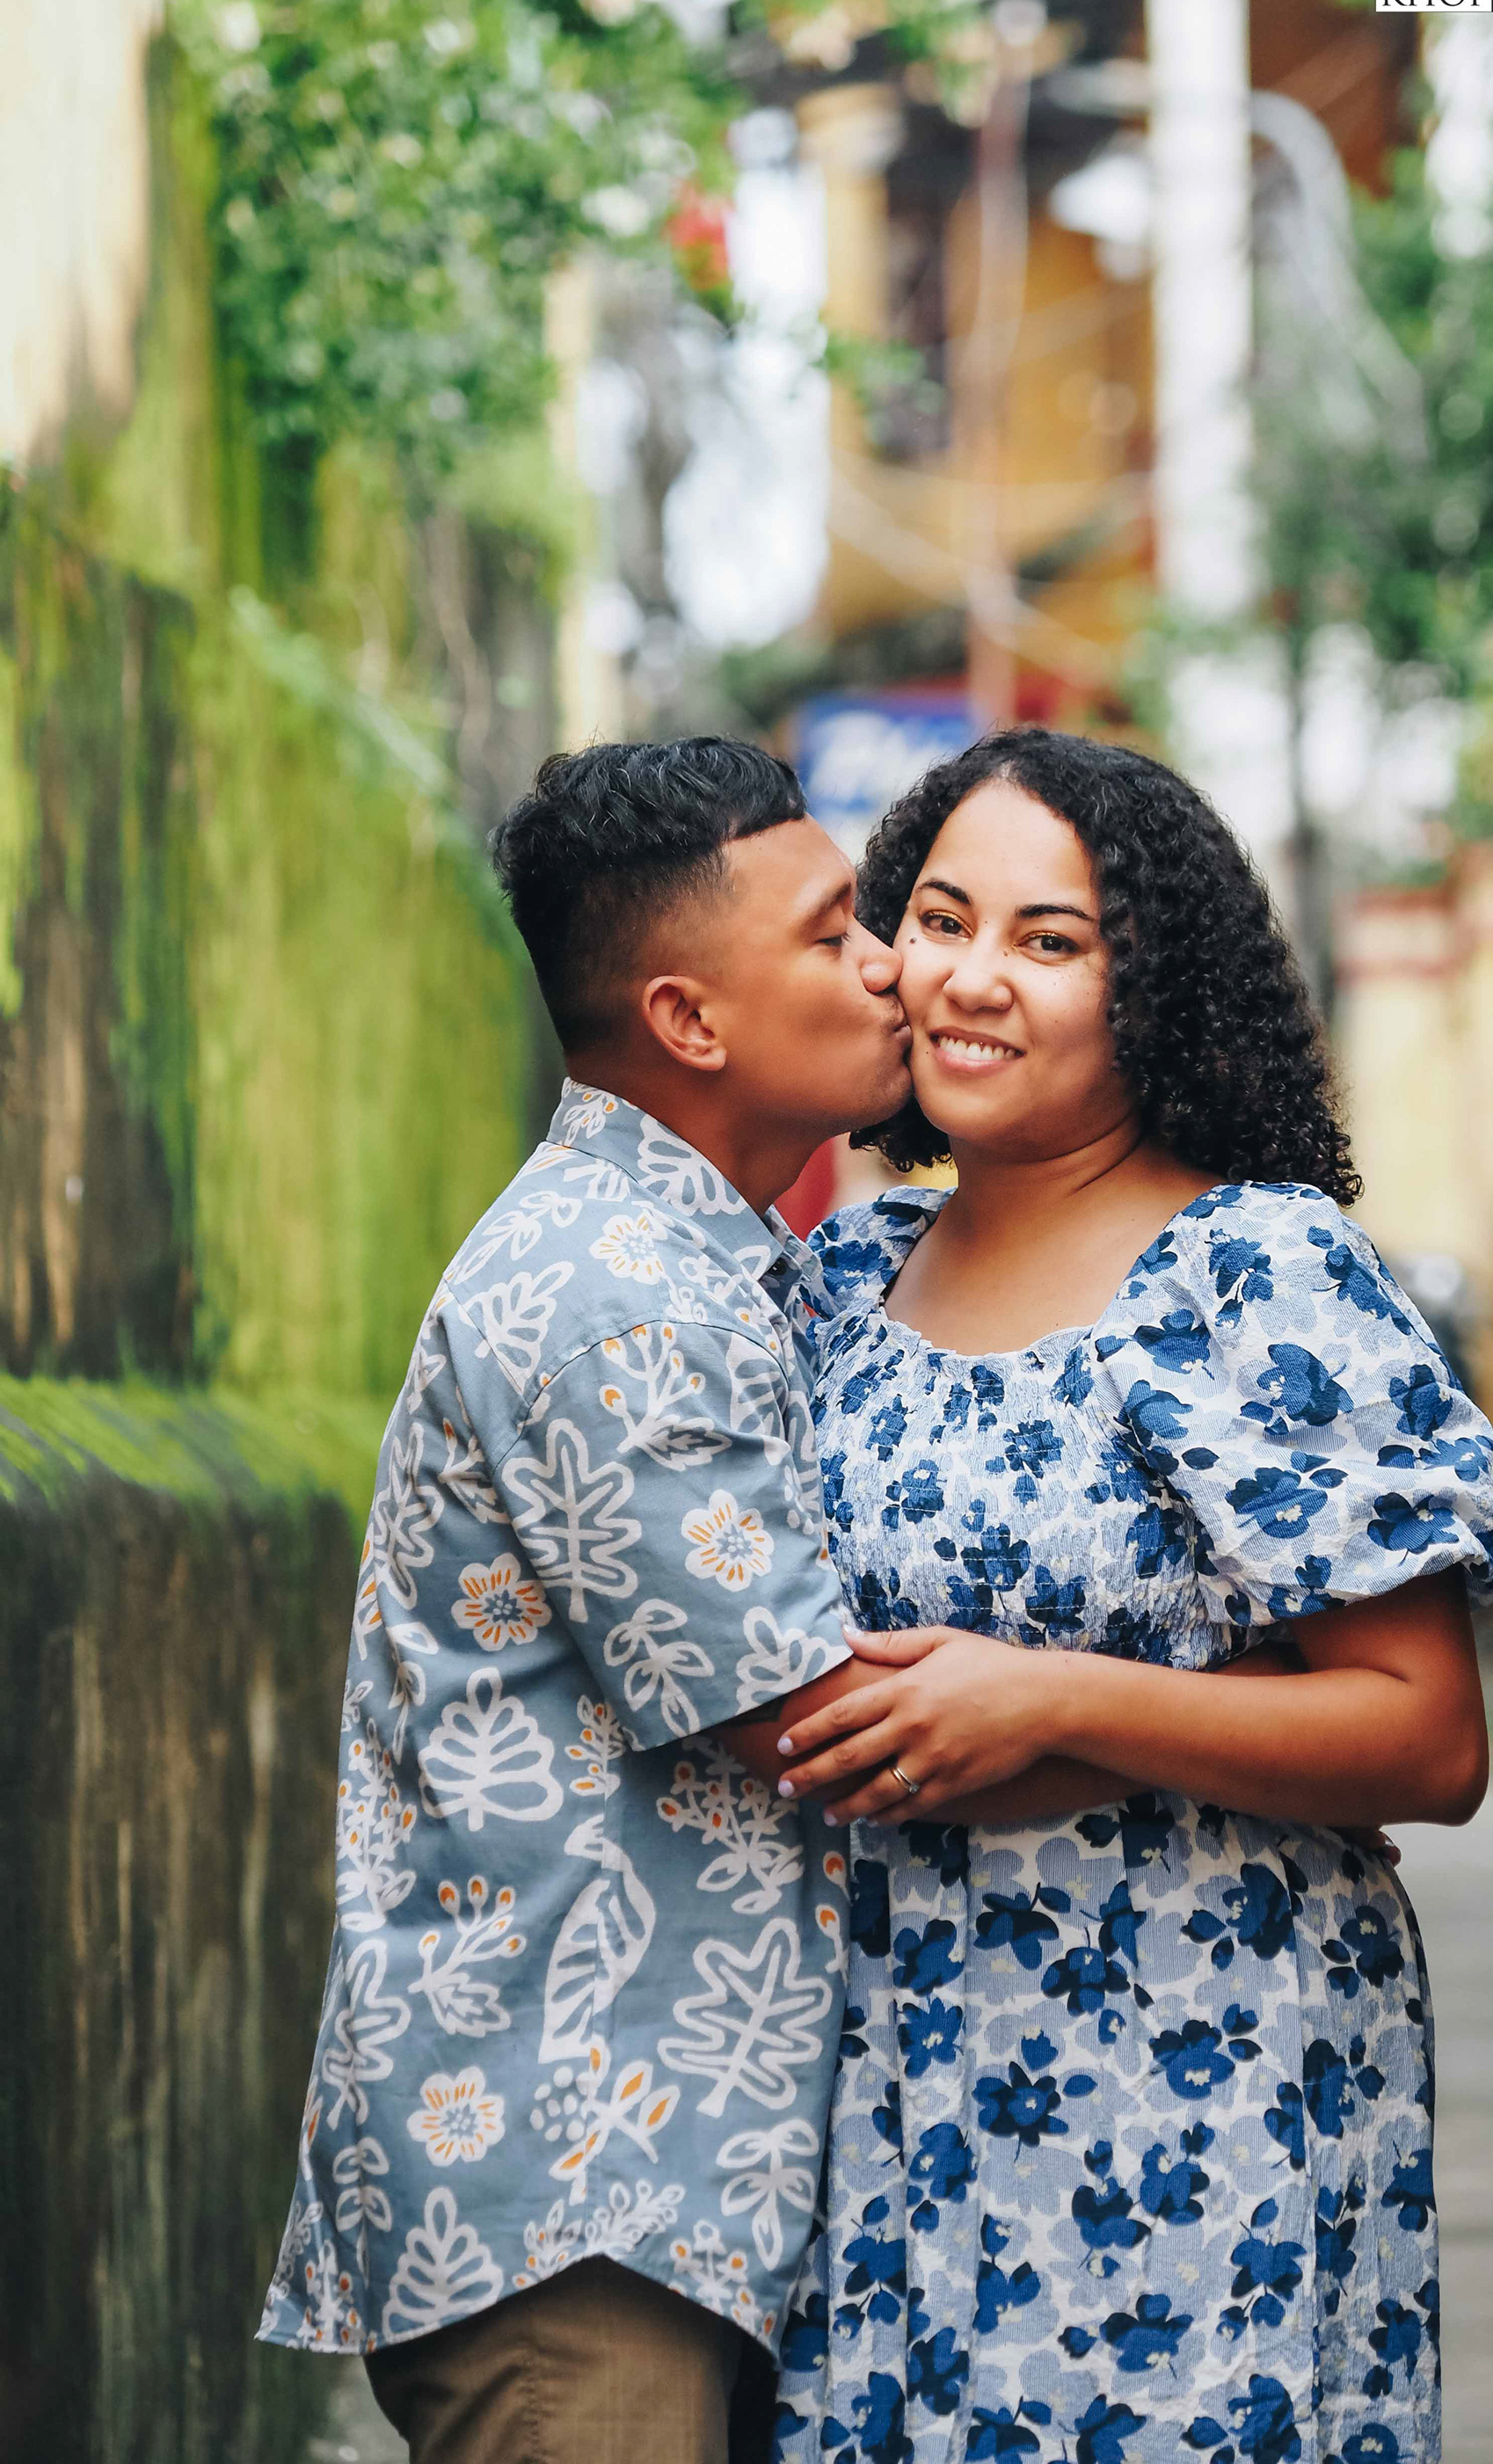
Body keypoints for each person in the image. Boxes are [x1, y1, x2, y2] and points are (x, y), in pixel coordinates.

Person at [768, 730, 1493, 2464]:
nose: (971, 979)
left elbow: (1428, 1735)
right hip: (888, 2074)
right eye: (941, 919)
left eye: (1050, 941)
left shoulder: (1252, 1271)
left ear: (1148, 990)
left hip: (1196, 2081)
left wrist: (1058, 1704)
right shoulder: (841, 1282)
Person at [260, 737, 930, 2464]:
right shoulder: (611, 1288)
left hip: (645, 2179)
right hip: (577, 2205)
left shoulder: (691, 1254)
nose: (893, 966)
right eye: (834, 930)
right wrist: (1228, 1747)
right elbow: (809, 1713)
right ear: (690, 1019)